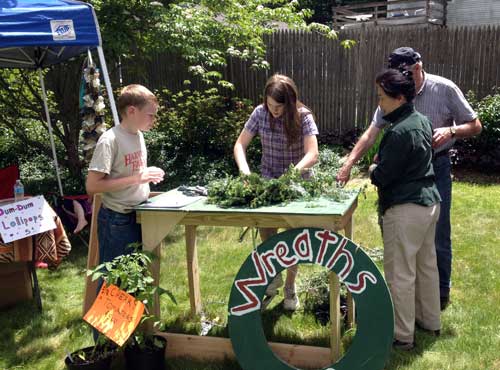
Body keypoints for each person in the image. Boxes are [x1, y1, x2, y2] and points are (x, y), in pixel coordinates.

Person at [337, 47, 482, 311]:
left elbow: (475, 124)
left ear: (419, 66)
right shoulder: (394, 92)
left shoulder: (444, 88)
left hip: (436, 165)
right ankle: (415, 295)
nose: (406, 77)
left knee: (438, 232)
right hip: (403, 171)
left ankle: (439, 293)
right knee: (406, 232)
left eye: (408, 72)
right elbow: (372, 132)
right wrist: (348, 164)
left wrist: (451, 130)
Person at [234, 74, 319, 311]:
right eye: (271, 105)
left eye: (279, 107)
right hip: (268, 182)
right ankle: (273, 277)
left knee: (293, 240)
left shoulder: (303, 117)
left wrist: (290, 176)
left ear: (290, 103)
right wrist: (245, 173)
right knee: (268, 234)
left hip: (296, 186)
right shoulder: (259, 113)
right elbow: (240, 145)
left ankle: (290, 288)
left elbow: (313, 154)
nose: (274, 111)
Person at [370, 68, 441, 350]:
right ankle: (430, 322)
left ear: (399, 98)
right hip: (429, 204)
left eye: (382, 98)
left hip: (406, 207)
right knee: (426, 267)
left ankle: (402, 336)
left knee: (400, 274)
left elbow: (383, 175)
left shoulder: (399, 131)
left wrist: (375, 166)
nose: (379, 103)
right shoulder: (421, 120)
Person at [86, 84, 165, 267]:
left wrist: (145, 175)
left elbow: (132, 172)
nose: (153, 120)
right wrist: (138, 178)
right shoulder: (109, 140)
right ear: (132, 111)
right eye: (150, 115)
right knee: (115, 284)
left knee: (135, 279)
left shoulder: (138, 135)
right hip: (117, 221)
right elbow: (92, 186)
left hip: (139, 214)